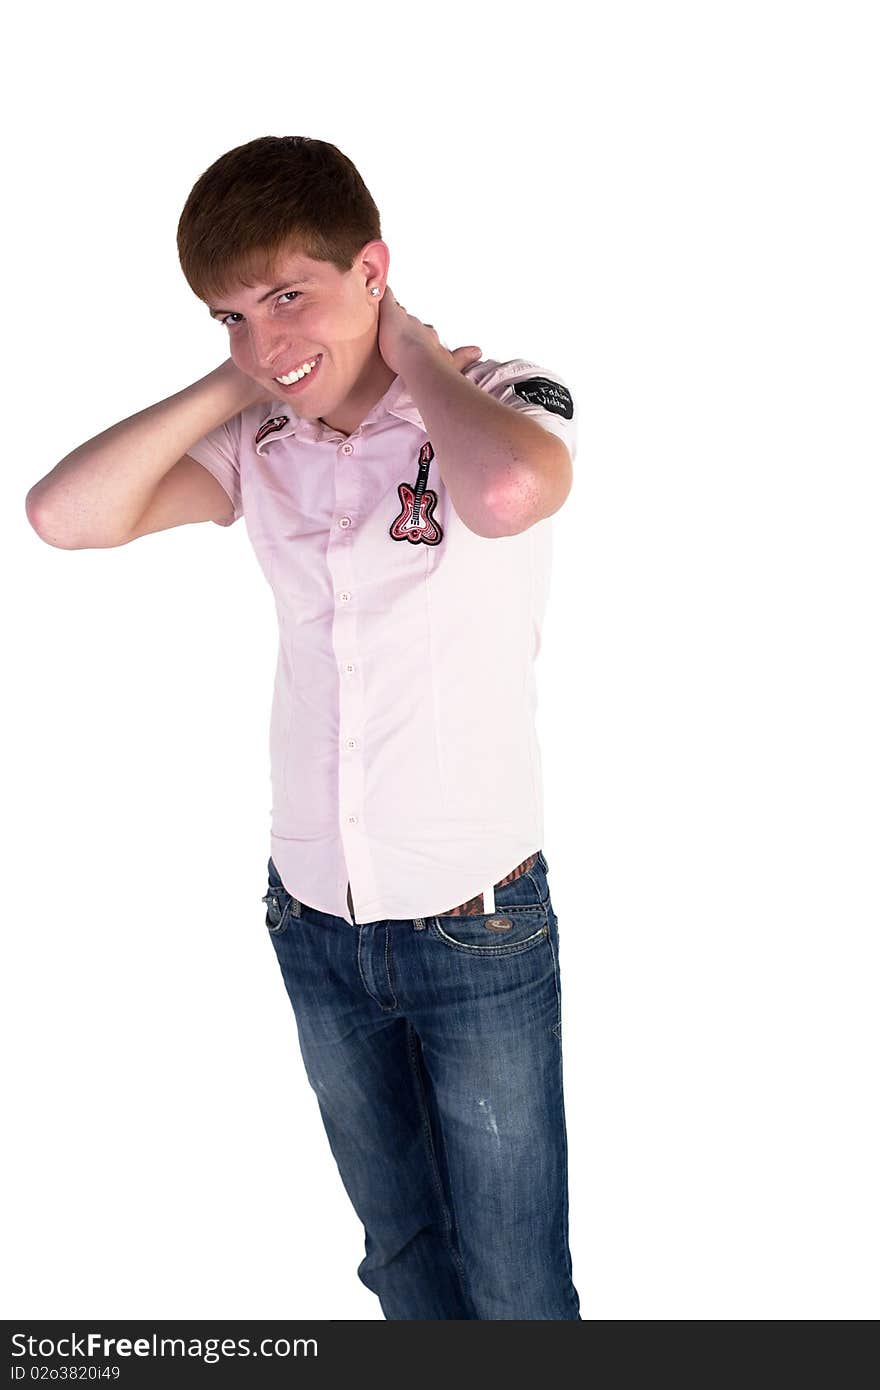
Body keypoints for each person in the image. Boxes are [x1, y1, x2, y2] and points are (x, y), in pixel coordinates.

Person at [25, 135, 580, 1320]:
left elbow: (506, 493)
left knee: (515, 1277)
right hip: (314, 920)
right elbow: (63, 516)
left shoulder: (498, 395)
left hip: (473, 918)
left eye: (291, 296)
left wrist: (415, 354)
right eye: (229, 313)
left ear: (371, 269)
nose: (267, 334)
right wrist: (244, 375)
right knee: (402, 1259)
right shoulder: (258, 441)